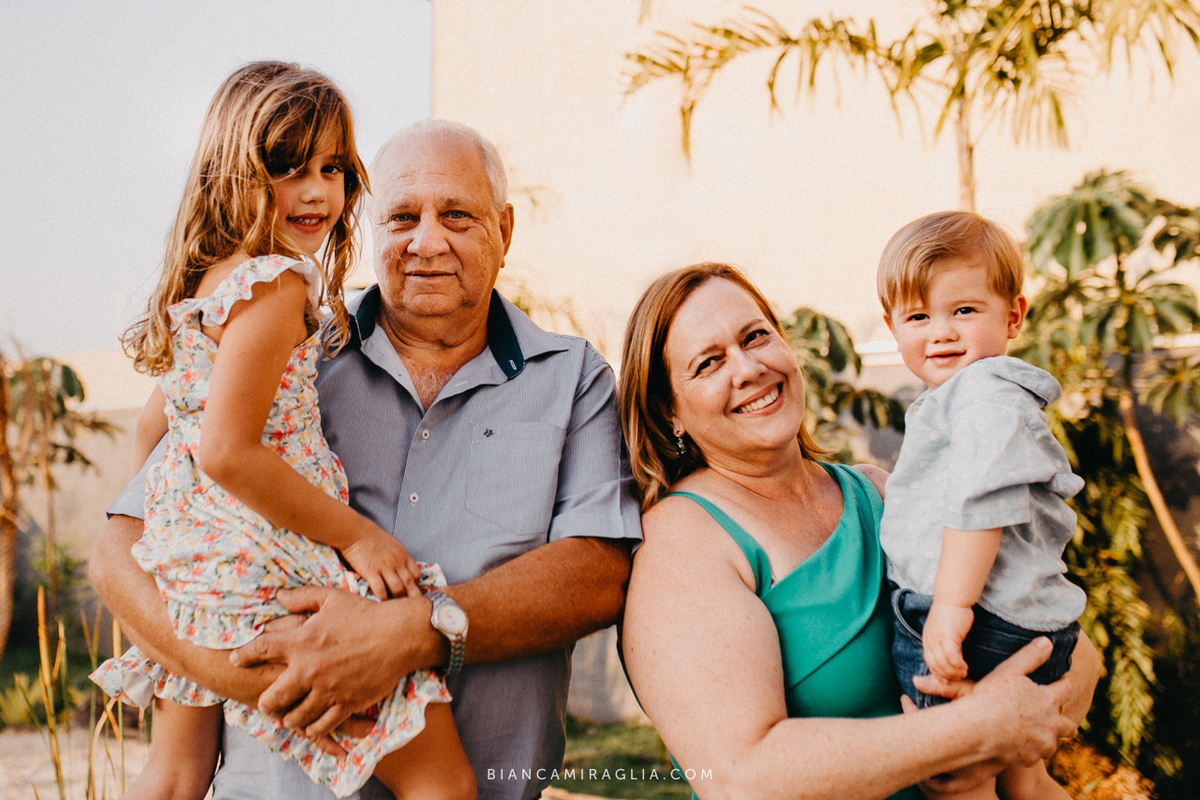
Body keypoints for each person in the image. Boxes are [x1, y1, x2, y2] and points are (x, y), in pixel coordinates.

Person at [89, 118, 641, 800]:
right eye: (402, 217)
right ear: (372, 228)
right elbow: (119, 551)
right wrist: (272, 675)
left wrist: (416, 631)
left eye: (457, 216)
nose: (427, 242)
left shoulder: (573, 378)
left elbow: (597, 576)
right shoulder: (287, 348)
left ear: (504, 231)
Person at [89, 62, 474, 800]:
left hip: (200, 571)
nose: (317, 192)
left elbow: (153, 430)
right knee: (443, 780)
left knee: (172, 775)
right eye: (289, 168)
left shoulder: (208, 289)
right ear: (233, 170)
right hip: (268, 566)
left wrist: (177, 549)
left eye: (332, 168)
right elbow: (227, 452)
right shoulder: (273, 287)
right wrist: (358, 537)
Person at [617, 262, 1100, 800]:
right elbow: (741, 779)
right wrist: (971, 734)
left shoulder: (882, 493)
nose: (749, 368)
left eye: (756, 337)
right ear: (669, 411)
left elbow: (1071, 647)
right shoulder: (682, 542)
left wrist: (1012, 730)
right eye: (709, 363)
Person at [877, 212, 1086, 800]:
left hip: (977, 623)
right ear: (892, 327)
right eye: (919, 317)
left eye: (964, 310)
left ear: (1013, 316)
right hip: (1021, 620)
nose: (941, 332)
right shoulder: (968, 397)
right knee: (1026, 777)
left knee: (956, 783)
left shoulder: (983, 396)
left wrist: (950, 607)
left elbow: (979, 506)